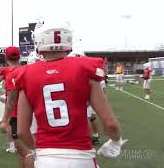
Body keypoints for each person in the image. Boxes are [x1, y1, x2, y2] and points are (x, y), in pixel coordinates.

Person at [16, 24, 127, 168]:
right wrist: (116, 141)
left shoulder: (26, 74)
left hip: (46, 159)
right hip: (82, 157)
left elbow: (22, 131)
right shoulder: (84, 68)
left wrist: (41, 152)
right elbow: (110, 123)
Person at [0, 46, 21, 154]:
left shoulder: (6, 70)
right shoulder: (25, 69)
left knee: (10, 124)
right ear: (19, 57)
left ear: (6, 58)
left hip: (11, 100)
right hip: (25, 103)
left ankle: (12, 146)